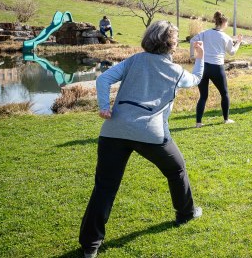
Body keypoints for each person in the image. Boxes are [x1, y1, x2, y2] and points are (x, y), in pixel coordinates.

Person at [79, 21, 205, 258]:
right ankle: (185, 214)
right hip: (150, 133)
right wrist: (200, 57)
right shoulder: (175, 71)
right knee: (177, 170)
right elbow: (196, 80)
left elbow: (103, 79)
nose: (177, 43)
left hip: (113, 130)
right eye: (175, 40)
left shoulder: (134, 60)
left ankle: (90, 246)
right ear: (169, 44)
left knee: (104, 187)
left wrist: (105, 107)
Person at [190, 11, 242, 127]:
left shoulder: (205, 33)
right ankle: (226, 119)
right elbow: (232, 52)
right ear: (223, 22)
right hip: (217, 68)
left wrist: (193, 55)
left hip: (203, 66)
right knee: (224, 93)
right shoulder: (225, 37)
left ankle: (198, 123)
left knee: (203, 96)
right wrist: (238, 43)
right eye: (227, 23)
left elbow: (192, 40)